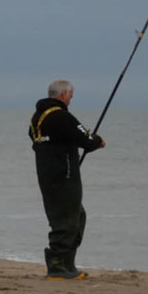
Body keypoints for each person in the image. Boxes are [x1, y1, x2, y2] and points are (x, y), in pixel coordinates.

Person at [28, 79, 104, 279]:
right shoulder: (62, 116)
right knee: (68, 220)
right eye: (70, 95)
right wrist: (98, 141)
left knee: (75, 216)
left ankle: (67, 264)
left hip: (47, 176)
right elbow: (86, 139)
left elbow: (41, 139)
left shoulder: (37, 118)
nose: (71, 99)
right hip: (65, 176)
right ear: (62, 95)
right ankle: (57, 265)